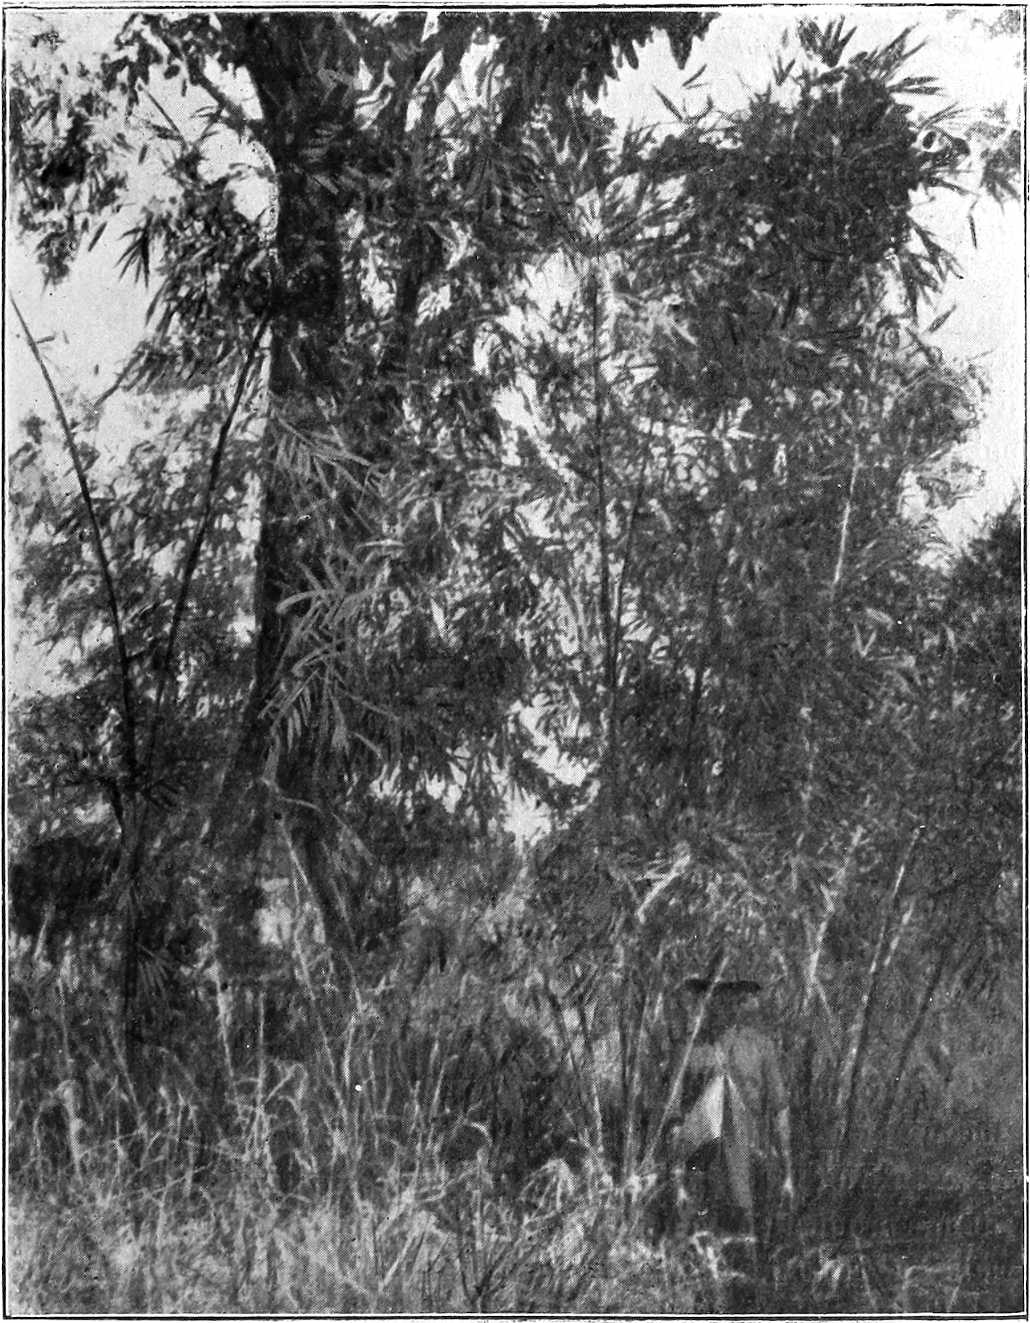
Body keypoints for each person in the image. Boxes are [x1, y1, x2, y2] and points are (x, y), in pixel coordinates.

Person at [666, 973, 795, 1287]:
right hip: (701, 1157)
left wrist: (788, 1170)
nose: (727, 1004)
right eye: (718, 996)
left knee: (747, 1234)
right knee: (692, 1235)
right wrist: (677, 1174)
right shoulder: (690, 1049)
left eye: (737, 996)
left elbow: (779, 1109)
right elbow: (672, 1114)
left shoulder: (760, 1046)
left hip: (748, 1156)